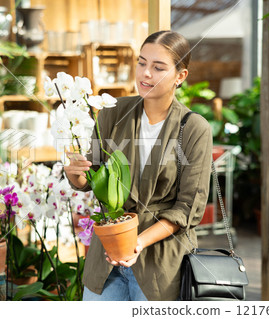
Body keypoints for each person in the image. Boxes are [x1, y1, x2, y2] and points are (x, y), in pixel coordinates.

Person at [64, 30, 213, 301]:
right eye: (142, 62)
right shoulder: (111, 112)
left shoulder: (193, 129)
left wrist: (139, 242)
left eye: (158, 67)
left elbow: (189, 207)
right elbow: (92, 175)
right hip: (106, 258)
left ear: (180, 76)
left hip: (161, 265)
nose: (145, 73)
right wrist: (75, 175)